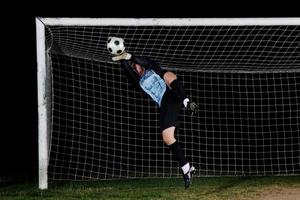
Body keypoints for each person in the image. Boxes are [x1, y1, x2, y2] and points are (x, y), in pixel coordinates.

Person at [112, 51, 199, 189]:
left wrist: (129, 57)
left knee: (167, 74)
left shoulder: (151, 67)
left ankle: (187, 101)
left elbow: (146, 61)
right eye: (134, 67)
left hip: (171, 95)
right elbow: (129, 74)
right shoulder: (138, 81)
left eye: (136, 66)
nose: (136, 68)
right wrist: (122, 61)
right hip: (164, 104)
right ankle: (187, 168)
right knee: (167, 137)